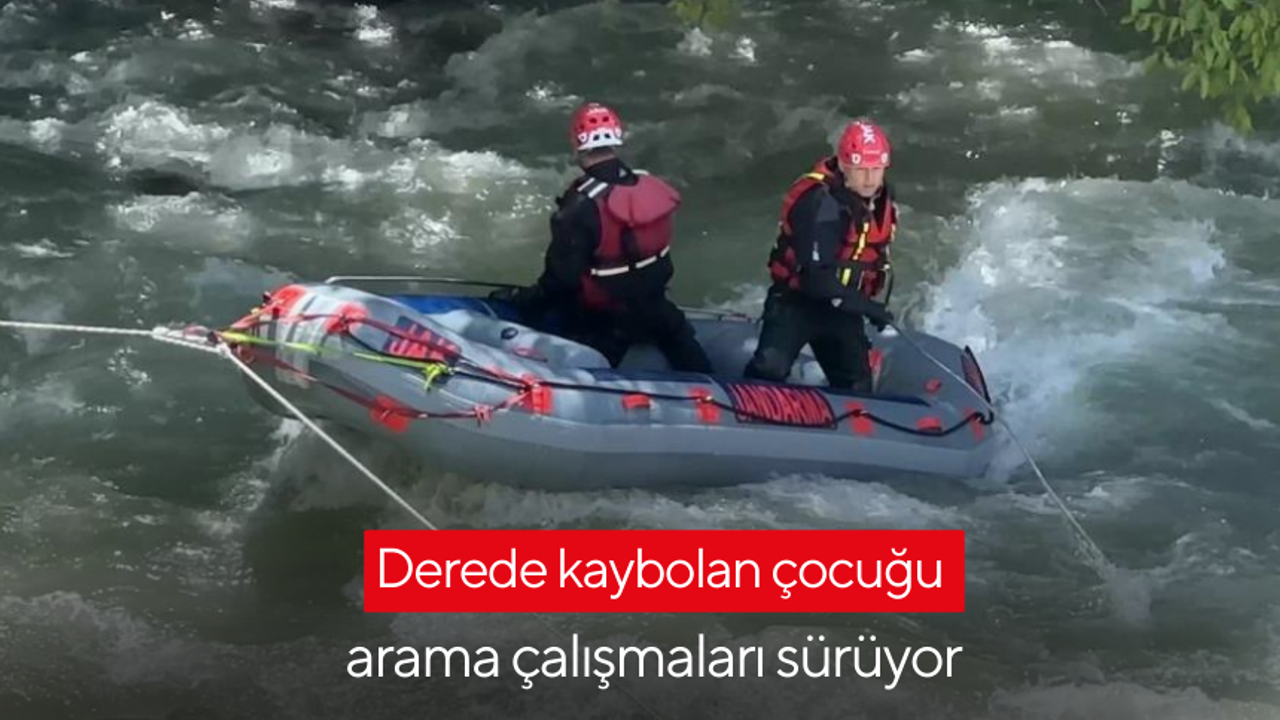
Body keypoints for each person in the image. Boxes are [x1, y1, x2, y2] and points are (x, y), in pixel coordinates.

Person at [496, 102, 714, 374]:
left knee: (568, 343)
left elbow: (560, 281)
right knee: (687, 351)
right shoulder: (649, 186)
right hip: (655, 308)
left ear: (577, 144)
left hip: (603, 319)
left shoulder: (580, 206)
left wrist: (523, 301)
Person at [742, 118, 898, 392]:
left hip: (841, 310)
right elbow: (815, 278)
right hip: (797, 302)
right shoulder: (819, 202)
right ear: (844, 165)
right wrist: (865, 306)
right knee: (770, 369)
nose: (870, 179)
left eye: (876, 169)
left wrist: (861, 304)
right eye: (861, 169)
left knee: (856, 387)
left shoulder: (880, 198)